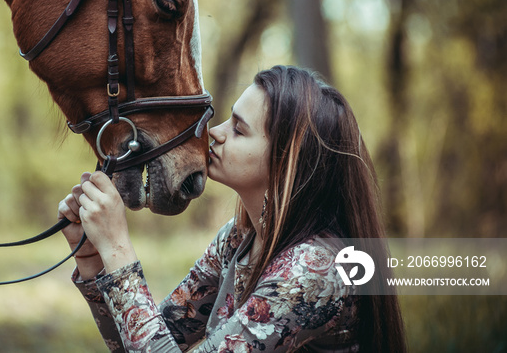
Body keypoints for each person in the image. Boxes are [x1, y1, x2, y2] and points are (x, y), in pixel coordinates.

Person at [58, 65, 406, 352]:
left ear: (288, 162)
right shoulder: (238, 241)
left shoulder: (313, 270)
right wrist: (94, 260)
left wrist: (119, 248)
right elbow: (147, 341)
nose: (214, 134)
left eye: (239, 130)